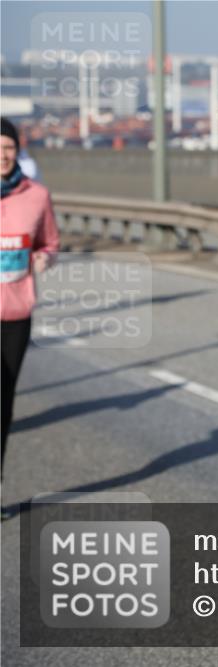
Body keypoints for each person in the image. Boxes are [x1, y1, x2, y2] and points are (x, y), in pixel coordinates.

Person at [1, 117, 59, 474]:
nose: (3, 155)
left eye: (8, 148)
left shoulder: (37, 196)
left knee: (4, 400)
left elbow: (49, 242)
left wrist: (44, 257)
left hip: (16, 314)